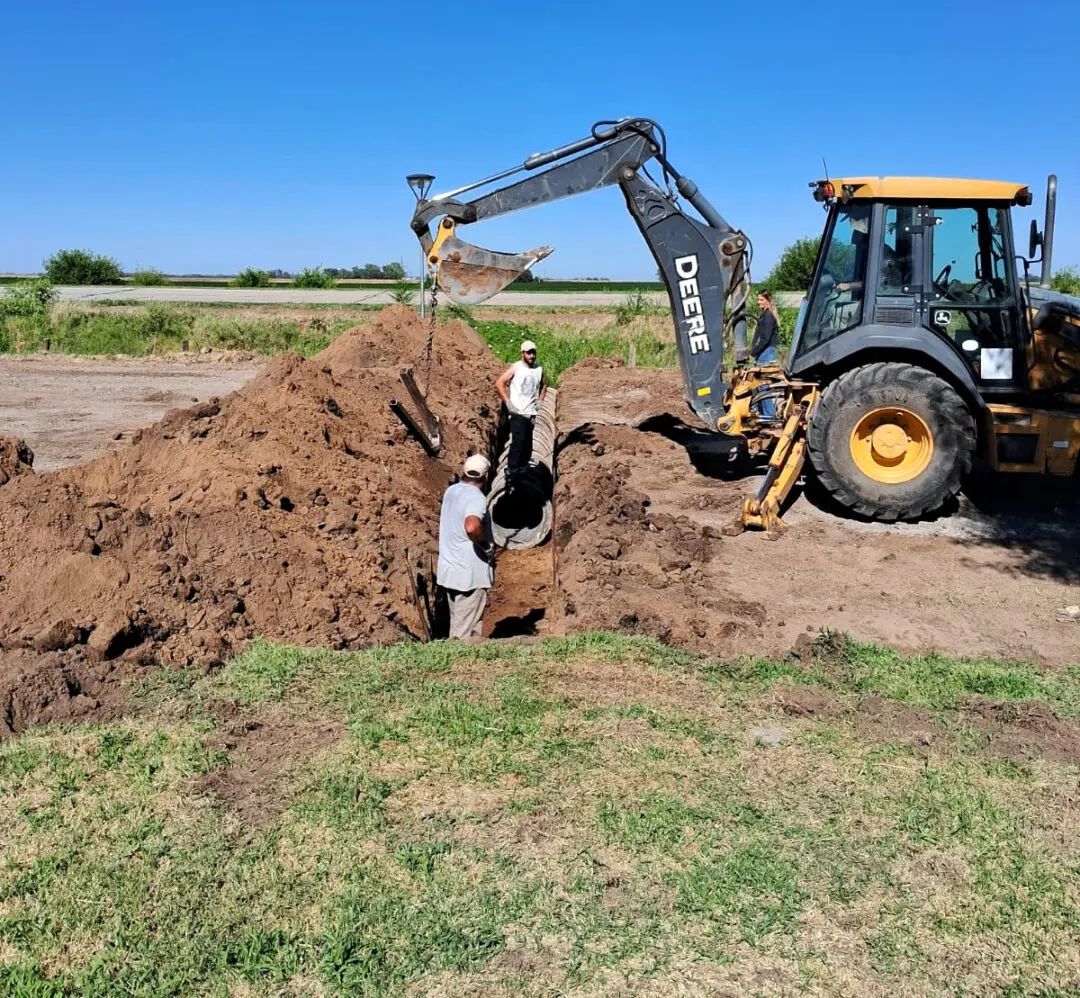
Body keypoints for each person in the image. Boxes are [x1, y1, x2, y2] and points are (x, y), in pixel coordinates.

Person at [436, 454, 494, 640]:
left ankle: (471, 663)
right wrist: (485, 545)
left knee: (465, 625)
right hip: (468, 575)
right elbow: (472, 526)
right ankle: (456, 665)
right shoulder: (476, 498)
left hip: (451, 571)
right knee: (462, 635)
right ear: (486, 476)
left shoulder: (451, 491)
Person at [495, 340, 547, 481]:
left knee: (528, 442)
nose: (532, 355)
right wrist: (508, 403)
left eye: (533, 352)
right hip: (518, 411)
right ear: (522, 353)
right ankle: (511, 469)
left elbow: (544, 384)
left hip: (531, 412)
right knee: (518, 441)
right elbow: (499, 383)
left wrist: (540, 401)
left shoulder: (538, 369)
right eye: (529, 352)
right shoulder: (516, 368)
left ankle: (523, 468)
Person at [749, 290, 780, 366]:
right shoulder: (765, 314)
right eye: (758, 300)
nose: (759, 302)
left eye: (762, 300)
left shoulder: (768, 316)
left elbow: (765, 338)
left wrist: (753, 352)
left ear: (768, 300)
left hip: (766, 353)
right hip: (764, 352)